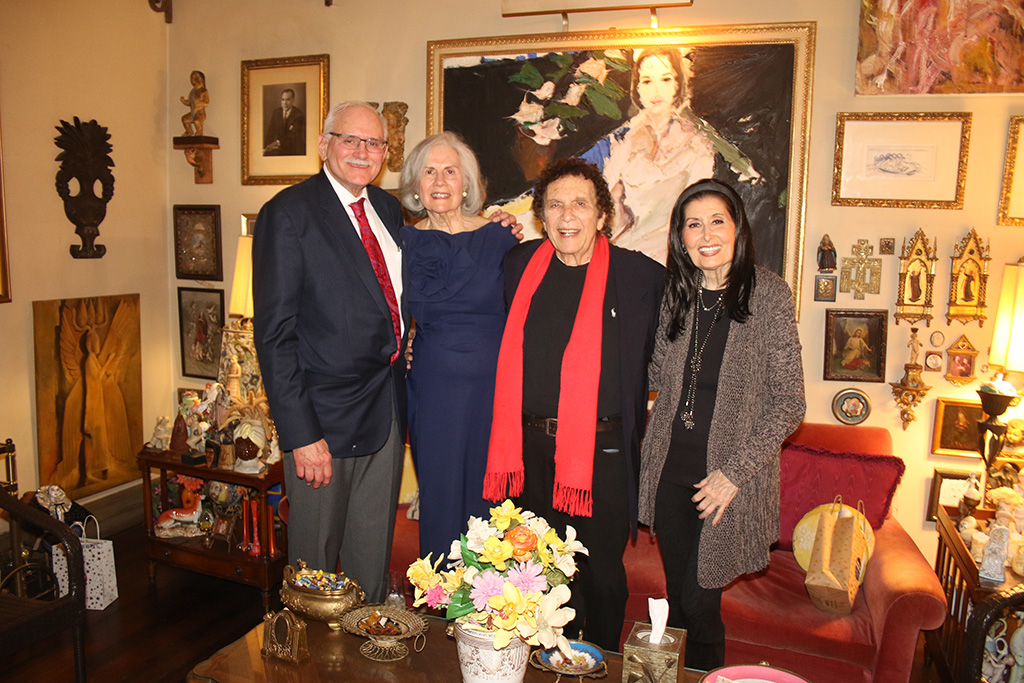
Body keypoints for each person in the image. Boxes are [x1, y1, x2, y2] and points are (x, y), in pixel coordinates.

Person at [484, 157, 665, 652]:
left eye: (580, 204)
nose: (567, 216)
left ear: (602, 215)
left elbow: (677, 351)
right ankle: (542, 662)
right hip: (526, 451)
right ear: (541, 215)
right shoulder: (518, 266)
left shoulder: (640, 278)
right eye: (555, 205)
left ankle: (600, 662)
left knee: (599, 576)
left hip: (599, 456)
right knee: (532, 575)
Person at [637, 178, 805, 670]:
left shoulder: (769, 295)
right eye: (693, 224)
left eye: (717, 220)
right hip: (670, 473)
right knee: (679, 599)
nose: (706, 233)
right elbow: (650, 373)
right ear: (680, 237)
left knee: (700, 604)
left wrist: (732, 474)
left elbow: (789, 402)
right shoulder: (678, 295)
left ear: (737, 228)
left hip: (727, 481)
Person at [253, 101, 406, 602]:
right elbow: (275, 336)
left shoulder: (385, 208)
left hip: (384, 412)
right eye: (351, 140)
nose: (364, 152)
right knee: (313, 575)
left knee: (370, 566)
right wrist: (301, 436)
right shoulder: (288, 214)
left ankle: (368, 658)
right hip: (323, 424)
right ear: (324, 145)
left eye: (375, 143)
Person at [398, 132, 518, 562]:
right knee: (441, 495)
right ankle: (439, 609)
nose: (440, 180)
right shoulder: (402, 244)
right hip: (433, 394)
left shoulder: (502, 238)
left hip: (494, 391)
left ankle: (493, 614)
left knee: (491, 504)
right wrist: (404, 342)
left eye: (451, 170)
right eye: (429, 171)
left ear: (467, 183)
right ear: (415, 185)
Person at [582, 47, 759, 263]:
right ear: (636, 88)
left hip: (673, 254)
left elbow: (697, 215)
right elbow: (604, 203)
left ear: (677, 84)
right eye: (647, 81)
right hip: (623, 252)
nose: (656, 91)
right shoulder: (622, 139)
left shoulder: (698, 143)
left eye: (665, 79)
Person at [263, 88, 306, 156]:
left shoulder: (299, 115)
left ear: (293, 100)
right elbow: (271, 132)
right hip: (277, 150)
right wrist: (266, 147)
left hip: (292, 151)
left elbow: (293, 136)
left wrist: (276, 143)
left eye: (288, 100)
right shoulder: (276, 113)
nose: (285, 103)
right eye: (283, 100)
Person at [180, 70, 209, 137]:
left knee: (197, 121)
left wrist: (198, 103)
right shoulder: (192, 91)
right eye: (192, 78)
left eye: (195, 78)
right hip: (193, 112)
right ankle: (189, 131)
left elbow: (206, 102)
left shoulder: (203, 91)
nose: (193, 80)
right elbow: (190, 102)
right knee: (184, 119)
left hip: (200, 112)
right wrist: (184, 101)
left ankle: (199, 132)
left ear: (200, 79)